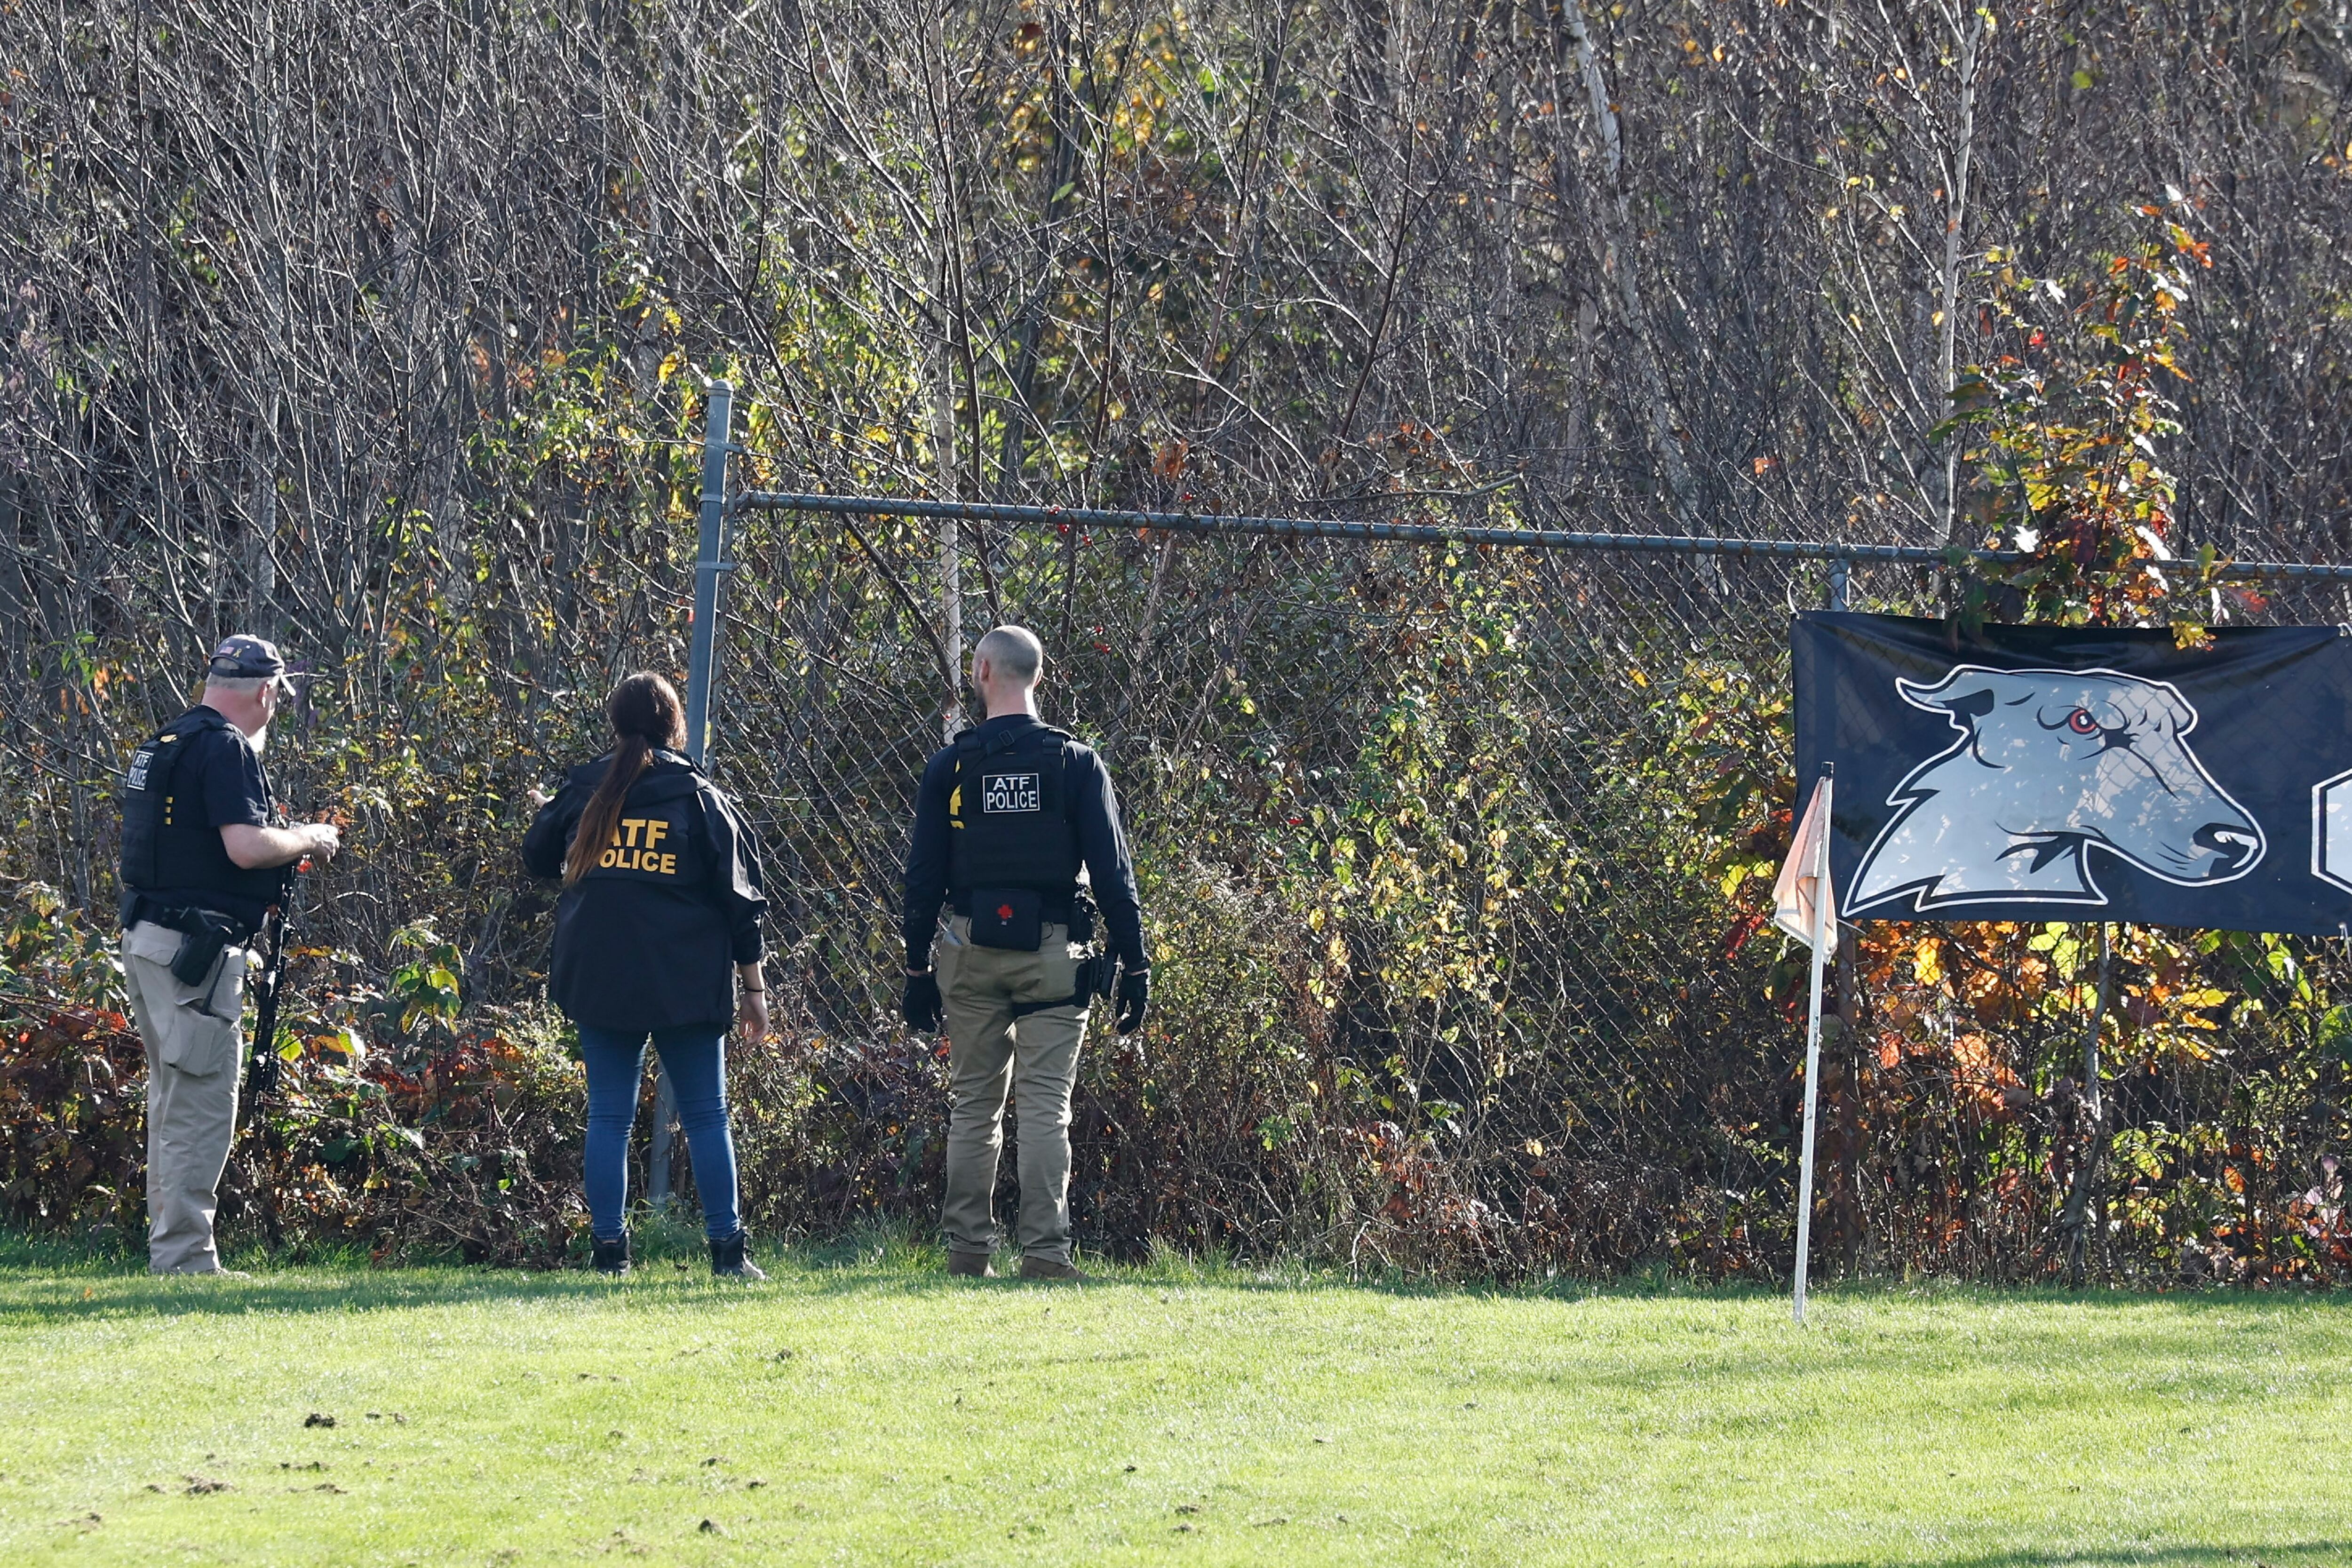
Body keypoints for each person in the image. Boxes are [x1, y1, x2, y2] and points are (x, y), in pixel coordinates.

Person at [901, 625, 1150, 1282]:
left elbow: (922, 876)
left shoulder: (950, 766)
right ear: (1037, 677)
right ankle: (1045, 1253)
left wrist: (916, 968)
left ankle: (967, 1252)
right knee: (1046, 1106)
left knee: (974, 1105)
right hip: (1054, 952)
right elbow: (1114, 873)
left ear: (983, 670)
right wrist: (1136, 962)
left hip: (969, 948)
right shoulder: (1075, 763)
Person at [523, 672, 772, 1280]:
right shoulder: (699, 796)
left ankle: (610, 1255)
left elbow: (535, 857)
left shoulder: (586, 787)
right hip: (684, 983)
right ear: (674, 725)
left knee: (609, 1115)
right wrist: (755, 992)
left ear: (615, 724)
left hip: (600, 978)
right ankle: (728, 1254)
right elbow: (743, 903)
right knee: (708, 1114)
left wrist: (561, 823)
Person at [119, 635, 342, 1275]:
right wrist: (309, 837)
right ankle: (186, 1259)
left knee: (172, 1098)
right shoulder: (226, 747)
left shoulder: (168, 741)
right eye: (278, 700)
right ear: (267, 692)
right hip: (196, 950)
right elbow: (244, 846)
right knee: (200, 1102)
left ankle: (172, 1248)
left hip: (151, 940)